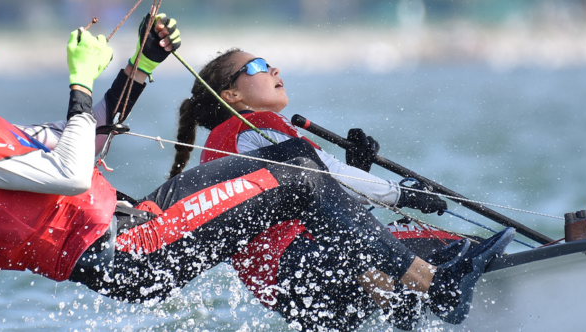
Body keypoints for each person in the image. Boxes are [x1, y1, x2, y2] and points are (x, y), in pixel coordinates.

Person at [0, 18, 514, 329]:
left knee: (293, 168)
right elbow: (73, 170)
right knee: (293, 171)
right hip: (122, 251)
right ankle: (430, 285)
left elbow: (98, 130)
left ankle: (400, 294)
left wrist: (141, 62)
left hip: (138, 227)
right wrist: (80, 80)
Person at [170, 48, 497, 330]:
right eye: (256, 67)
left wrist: (361, 171)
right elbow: (330, 175)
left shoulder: (216, 149)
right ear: (232, 95)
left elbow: (321, 207)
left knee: (398, 248)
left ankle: (406, 304)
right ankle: (442, 293)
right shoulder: (257, 124)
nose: (273, 69)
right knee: (461, 248)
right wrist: (404, 193)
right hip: (310, 261)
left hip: (289, 292)